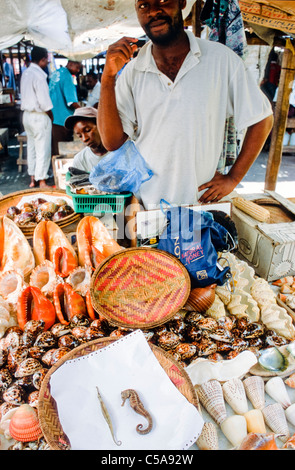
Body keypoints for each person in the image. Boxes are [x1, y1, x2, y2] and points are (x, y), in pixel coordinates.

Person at [97, 0, 274, 210]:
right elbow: (112, 142)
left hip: (201, 204)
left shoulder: (221, 60)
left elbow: (262, 119)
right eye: (144, 5)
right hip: (149, 204)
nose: (154, 11)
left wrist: (233, 178)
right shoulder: (134, 70)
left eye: (162, 1)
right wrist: (108, 79)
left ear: (181, 2)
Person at [20, 46, 53, 189]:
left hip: (27, 116)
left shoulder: (26, 73)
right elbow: (45, 103)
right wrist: (51, 116)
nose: (47, 63)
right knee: (42, 148)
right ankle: (42, 181)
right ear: (43, 59)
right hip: (39, 116)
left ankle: (33, 178)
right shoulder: (39, 76)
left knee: (32, 147)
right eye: (46, 60)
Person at [49, 60, 82, 156]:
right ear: (70, 64)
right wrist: (83, 111)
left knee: (56, 148)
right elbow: (71, 102)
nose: (78, 70)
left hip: (53, 117)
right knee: (64, 151)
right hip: (63, 119)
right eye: (77, 67)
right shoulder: (67, 76)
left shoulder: (57, 72)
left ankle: (55, 169)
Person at [64, 106, 109, 172]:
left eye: (88, 130)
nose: (85, 139)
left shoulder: (121, 150)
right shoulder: (80, 160)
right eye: (80, 136)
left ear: (100, 125)